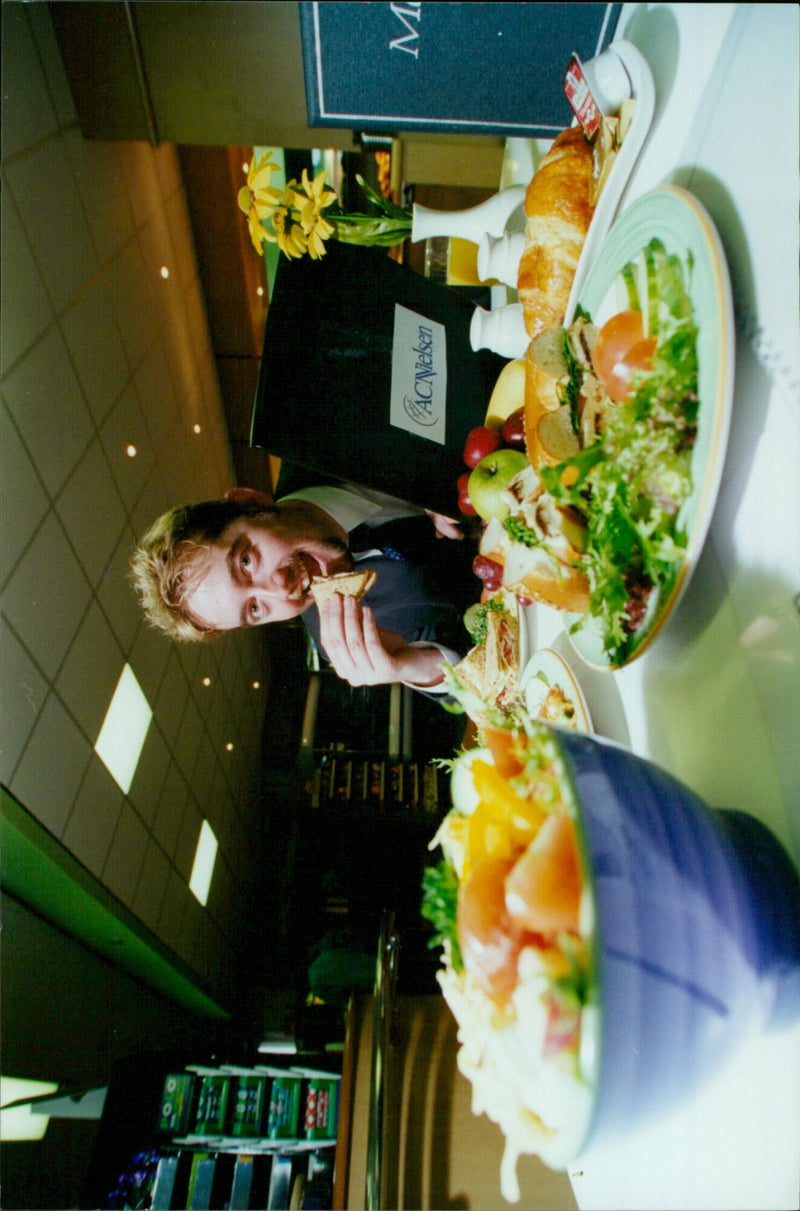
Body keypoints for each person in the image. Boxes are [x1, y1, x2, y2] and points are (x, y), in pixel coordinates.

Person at [130, 470, 480, 694]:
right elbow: (481, 680)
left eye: (247, 562)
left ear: (250, 503)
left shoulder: (318, 422)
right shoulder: (343, 638)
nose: (280, 588)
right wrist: (408, 663)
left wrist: (439, 474)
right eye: (254, 608)